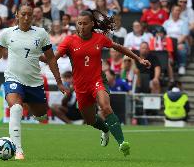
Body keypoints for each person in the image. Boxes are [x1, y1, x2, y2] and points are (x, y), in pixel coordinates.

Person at [40, 10, 151, 156]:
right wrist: (36, 56)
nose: (82, 26)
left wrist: (139, 59)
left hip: (98, 80)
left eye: (85, 23)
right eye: (79, 23)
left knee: (105, 107)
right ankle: (105, 129)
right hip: (80, 86)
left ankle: (122, 142)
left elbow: (119, 47)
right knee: (90, 120)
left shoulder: (99, 38)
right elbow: (53, 58)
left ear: (92, 24)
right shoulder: (69, 41)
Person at [0, 3, 68, 160]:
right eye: (23, 14)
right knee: (15, 108)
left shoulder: (41, 33)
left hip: (34, 83)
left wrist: (59, 82)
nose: (26, 17)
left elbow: (51, 58)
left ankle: (29, 104)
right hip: (13, 79)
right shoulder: (7, 33)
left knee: (41, 116)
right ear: (17, 15)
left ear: (33, 17)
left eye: (29, 14)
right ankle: (18, 150)